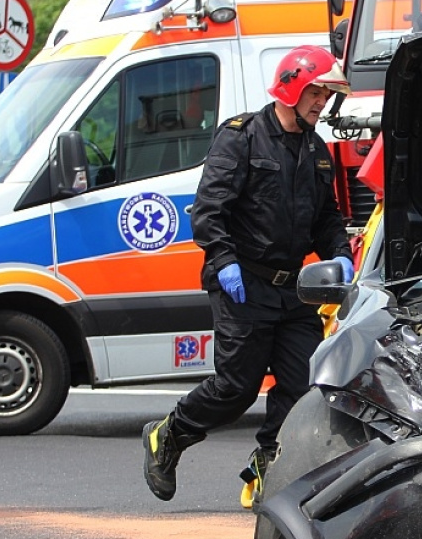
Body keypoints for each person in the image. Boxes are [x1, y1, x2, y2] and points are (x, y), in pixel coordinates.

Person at [142, 45, 354, 503]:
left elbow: (327, 219)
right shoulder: (241, 137)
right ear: (292, 87)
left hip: (293, 289)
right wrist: (224, 260)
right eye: (316, 91)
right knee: (236, 388)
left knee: (302, 387)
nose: (322, 102)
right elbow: (209, 209)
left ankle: (266, 469)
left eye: (326, 94)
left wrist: (340, 253)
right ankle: (169, 434)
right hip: (242, 282)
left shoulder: (317, 151)